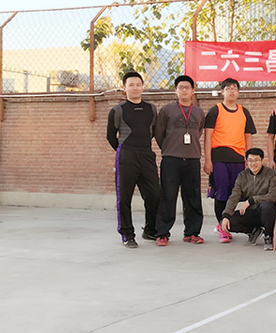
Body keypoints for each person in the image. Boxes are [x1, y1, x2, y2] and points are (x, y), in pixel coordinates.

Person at [106, 71, 160, 248]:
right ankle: (127, 234)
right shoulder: (118, 110)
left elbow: (152, 132)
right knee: (124, 197)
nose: (135, 88)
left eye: (138, 84)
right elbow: (110, 136)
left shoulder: (151, 109)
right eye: (131, 85)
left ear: (142, 87)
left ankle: (150, 230)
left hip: (146, 154)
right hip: (126, 155)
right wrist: (123, 152)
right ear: (124, 88)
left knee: (154, 195)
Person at [154, 75, 205, 246]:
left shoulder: (198, 112)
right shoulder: (167, 110)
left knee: (193, 197)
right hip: (171, 159)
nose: (184, 90)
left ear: (193, 91)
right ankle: (162, 233)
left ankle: (192, 232)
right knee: (168, 196)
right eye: (180, 87)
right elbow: (159, 133)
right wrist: (169, 148)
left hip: (192, 159)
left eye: (187, 87)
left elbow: (199, 132)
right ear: (175, 91)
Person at [204, 78, 256, 243]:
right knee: (221, 193)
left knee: (235, 194)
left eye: (234, 88)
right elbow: (208, 136)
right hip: (219, 158)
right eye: (228, 88)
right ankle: (222, 227)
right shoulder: (215, 110)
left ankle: (228, 223)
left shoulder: (243, 112)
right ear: (222, 92)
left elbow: (248, 137)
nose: (231, 91)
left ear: (238, 92)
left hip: (238, 158)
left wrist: (249, 158)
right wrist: (207, 160)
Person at [220, 148, 276, 250]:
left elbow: (272, 196)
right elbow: (234, 196)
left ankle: (268, 236)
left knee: (267, 206)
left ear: (262, 160)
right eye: (250, 160)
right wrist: (226, 215)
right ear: (246, 162)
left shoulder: (271, 174)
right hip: (251, 211)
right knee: (228, 222)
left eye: (256, 160)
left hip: (267, 212)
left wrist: (250, 201)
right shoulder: (242, 176)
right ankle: (253, 231)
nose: (253, 163)